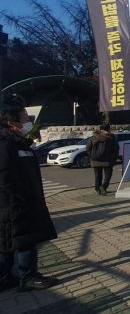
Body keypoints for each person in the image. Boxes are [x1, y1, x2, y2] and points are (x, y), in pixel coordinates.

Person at [0, 94, 59, 292]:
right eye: (23, 116)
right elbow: (4, 174)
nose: (26, 120)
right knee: (24, 239)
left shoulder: (18, 142)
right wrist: (15, 198)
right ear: (10, 120)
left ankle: (6, 276)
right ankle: (27, 275)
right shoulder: (5, 143)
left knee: (12, 238)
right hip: (14, 202)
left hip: (23, 199)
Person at [85, 124, 119, 195]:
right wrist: (114, 159)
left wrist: (92, 156)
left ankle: (98, 189)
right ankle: (103, 187)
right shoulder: (112, 137)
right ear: (108, 129)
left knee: (97, 175)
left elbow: (88, 148)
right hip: (107, 160)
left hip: (95, 160)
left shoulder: (93, 137)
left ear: (100, 129)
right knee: (108, 175)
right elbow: (116, 149)